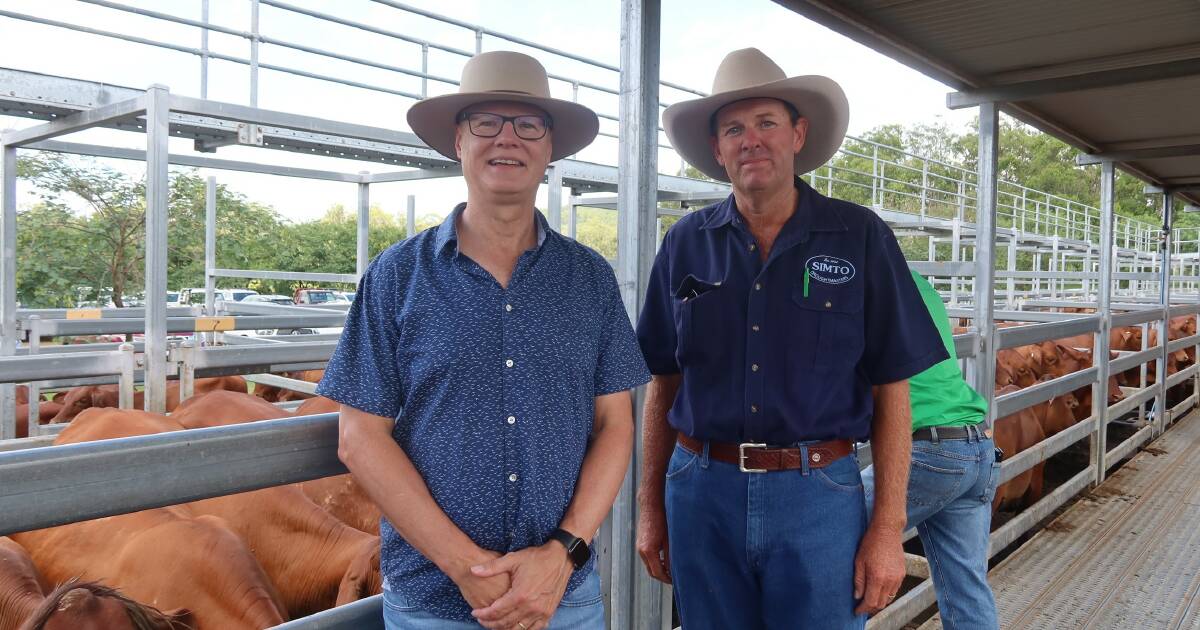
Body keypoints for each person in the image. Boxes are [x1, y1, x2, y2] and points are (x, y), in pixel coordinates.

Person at [318, 50, 650, 630]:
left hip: (562, 597)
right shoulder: (396, 276)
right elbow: (359, 436)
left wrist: (562, 553)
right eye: (486, 123)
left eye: (528, 126)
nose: (508, 139)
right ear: (458, 141)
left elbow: (615, 425)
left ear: (550, 149)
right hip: (433, 600)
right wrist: (465, 566)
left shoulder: (590, 278)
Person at [634, 48, 948, 629]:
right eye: (733, 128)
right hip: (702, 489)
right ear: (717, 148)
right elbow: (662, 383)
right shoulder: (684, 243)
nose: (750, 140)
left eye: (766, 123)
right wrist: (649, 505)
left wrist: (885, 529)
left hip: (818, 493)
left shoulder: (859, 236)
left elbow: (892, 390)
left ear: (798, 134)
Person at [861, 270, 1000, 630]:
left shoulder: (858, 283)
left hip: (927, 452)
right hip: (976, 446)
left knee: (825, 536)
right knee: (967, 588)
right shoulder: (917, 282)